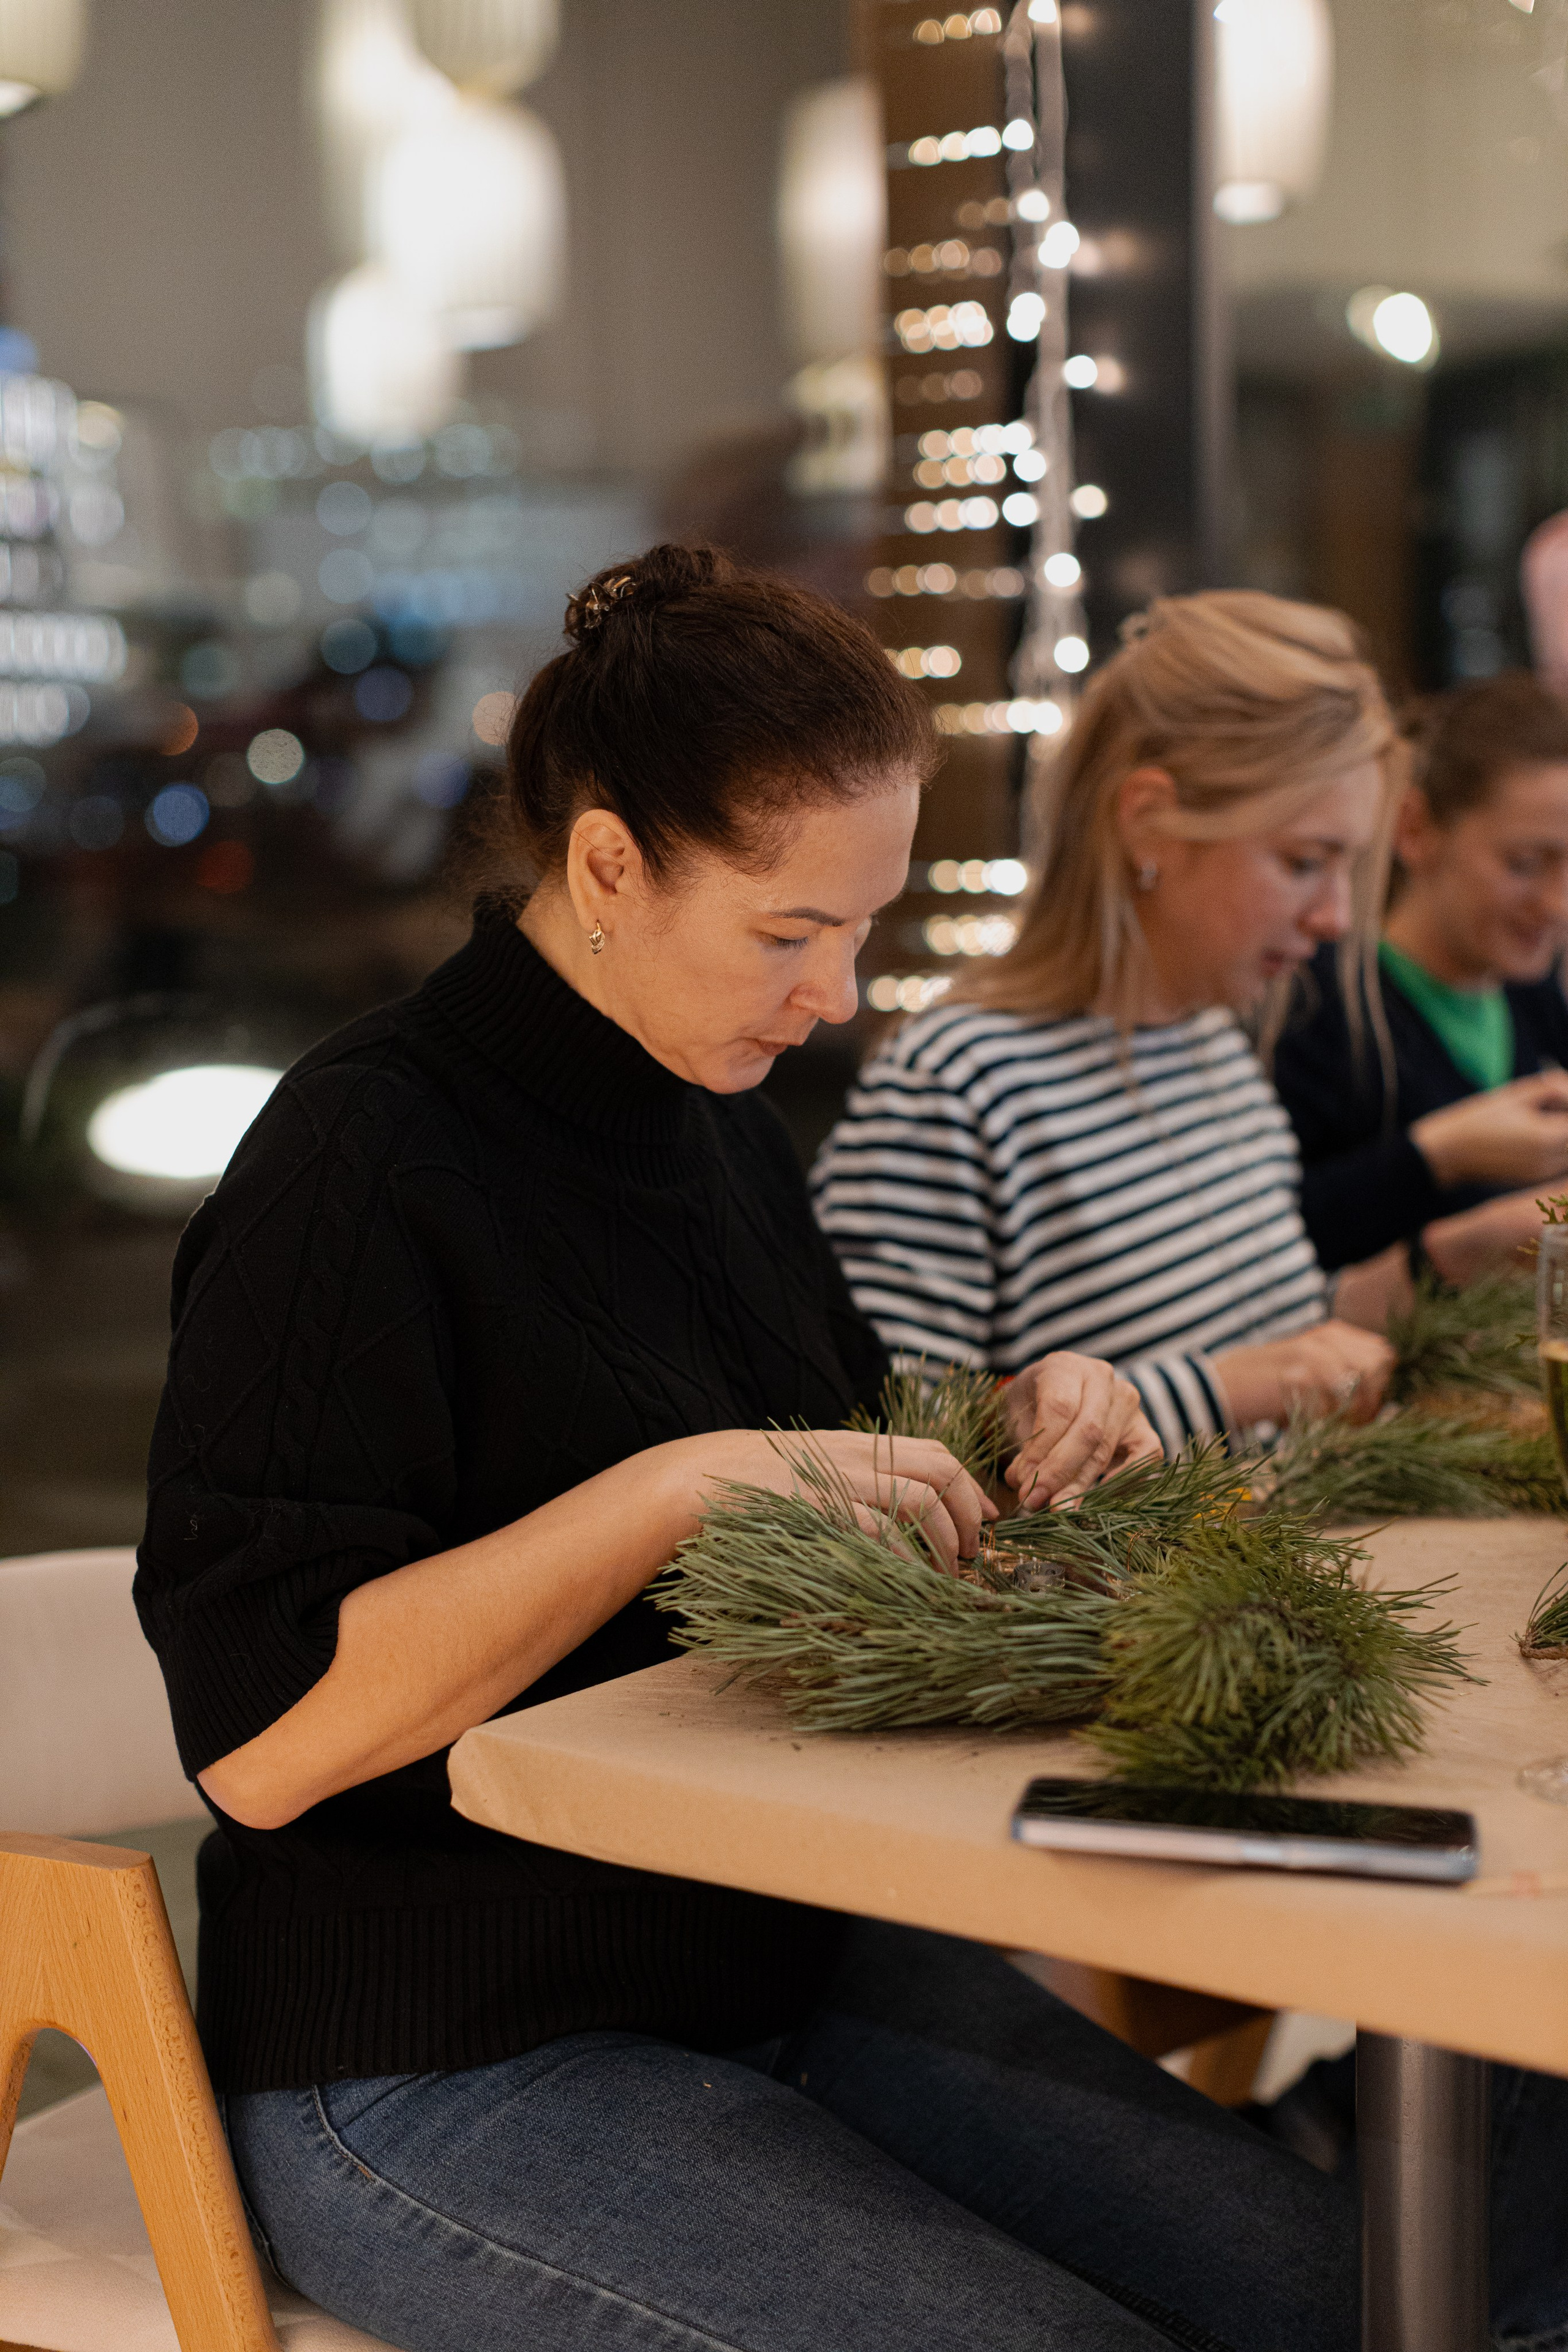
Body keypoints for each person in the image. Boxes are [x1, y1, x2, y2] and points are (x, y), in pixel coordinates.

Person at [133, 545, 1373, 2352]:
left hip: (781, 1949)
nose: (839, 995)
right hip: (436, 2049)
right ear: (609, 864)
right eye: (790, 932)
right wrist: (674, 1486)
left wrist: (1019, 1427)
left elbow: (849, 1474)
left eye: (861, 929)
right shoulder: (358, 1163)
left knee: (1350, 2295)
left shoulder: (714, 1130)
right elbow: (259, 1740)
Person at [813, 591, 1399, 1461]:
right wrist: (1228, 1389)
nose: (1337, 917)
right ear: (1150, 821)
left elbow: (1266, 1327)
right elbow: (881, 1450)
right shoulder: (956, 1083)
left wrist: (1438, 1259)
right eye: (1304, 863)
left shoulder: (1212, 1043)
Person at [1272, 670, 1568, 1281]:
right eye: (1525, 864)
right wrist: (1435, 1157)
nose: (1558, 904)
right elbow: (1265, 1243)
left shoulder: (1536, 998)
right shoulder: (1315, 1005)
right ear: (1416, 828)